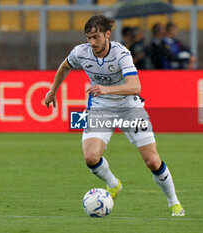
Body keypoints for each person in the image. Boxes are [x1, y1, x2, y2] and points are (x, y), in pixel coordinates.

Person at [44, 15, 185, 216]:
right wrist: (52, 91)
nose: (92, 42)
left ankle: (174, 203)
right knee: (91, 157)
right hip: (101, 108)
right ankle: (113, 184)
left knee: (152, 161)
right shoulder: (81, 52)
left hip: (129, 108)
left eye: (96, 37)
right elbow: (65, 66)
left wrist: (106, 89)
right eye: (89, 38)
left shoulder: (121, 54)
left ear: (107, 34)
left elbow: (135, 86)